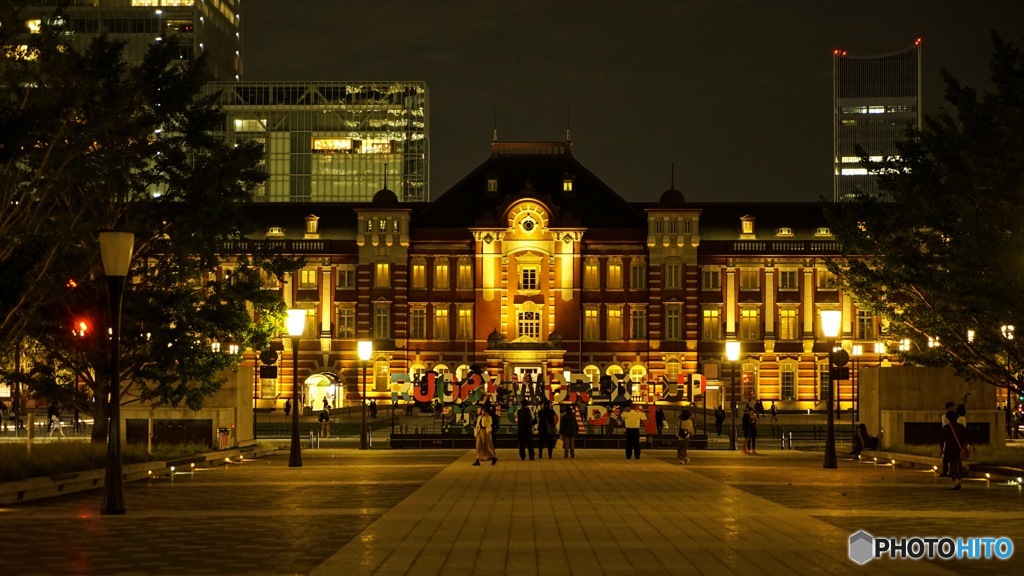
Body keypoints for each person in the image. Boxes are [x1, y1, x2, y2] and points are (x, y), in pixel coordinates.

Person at [941, 410, 969, 490]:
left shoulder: (946, 428)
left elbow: (942, 440)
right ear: (957, 418)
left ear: (948, 418)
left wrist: (941, 449)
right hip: (959, 449)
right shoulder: (961, 427)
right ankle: (958, 480)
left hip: (950, 450)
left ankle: (956, 482)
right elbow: (967, 437)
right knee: (958, 464)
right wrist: (970, 445)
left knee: (953, 465)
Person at [473, 401, 497, 466]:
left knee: (487, 446)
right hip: (479, 432)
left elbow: (485, 425)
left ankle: (493, 457)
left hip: (486, 432)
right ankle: (477, 459)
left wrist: (485, 418)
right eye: (482, 411)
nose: (483, 412)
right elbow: (477, 425)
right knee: (478, 446)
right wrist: (476, 432)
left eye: (484, 411)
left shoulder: (488, 417)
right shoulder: (479, 417)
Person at [940, 401, 958, 476]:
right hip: (949, 438)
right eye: (952, 407)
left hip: (949, 438)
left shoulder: (951, 416)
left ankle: (948, 471)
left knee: (949, 456)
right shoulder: (945, 417)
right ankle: (947, 471)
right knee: (948, 456)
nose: (953, 409)